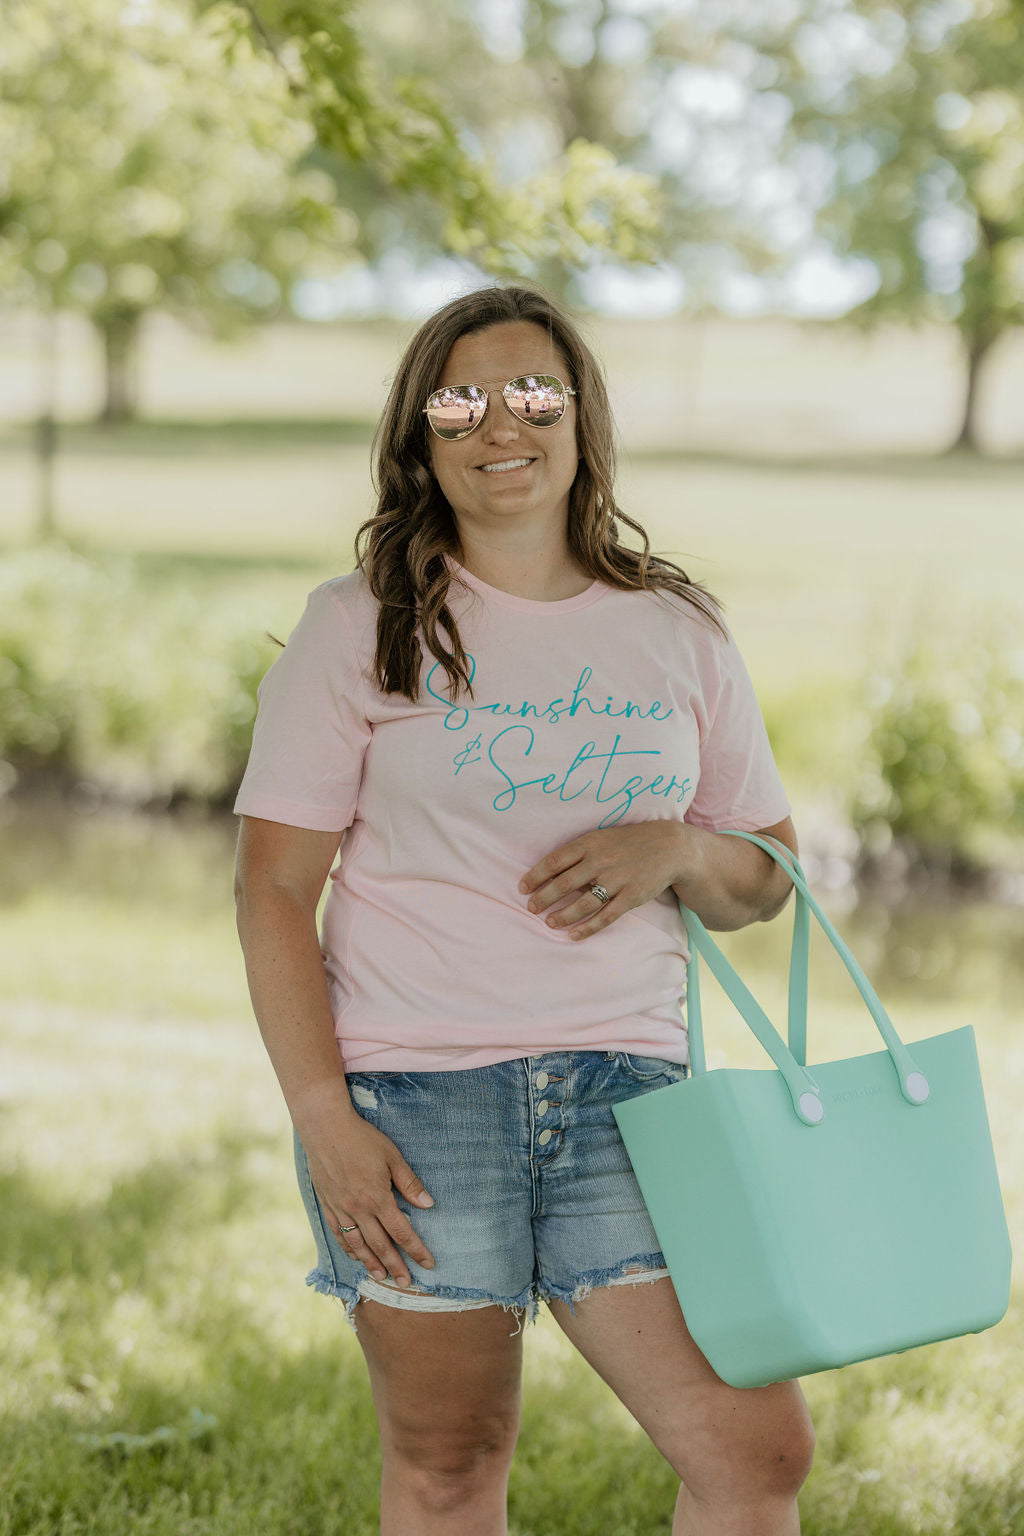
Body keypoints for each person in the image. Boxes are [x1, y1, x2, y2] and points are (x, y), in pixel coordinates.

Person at [232, 284, 816, 1536]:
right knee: (449, 1463)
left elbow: (769, 881)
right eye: (460, 402)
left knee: (755, 1450)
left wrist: (678, 847)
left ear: (581, 418)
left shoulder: (676, 629)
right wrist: (324, 1117)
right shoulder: (358, 628)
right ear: (421, 435)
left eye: (533, 393)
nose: (501, 423)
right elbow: (272, 891)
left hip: (632, 1102)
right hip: (415, 1109)